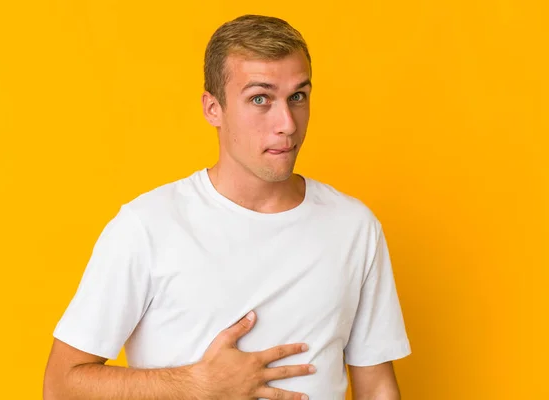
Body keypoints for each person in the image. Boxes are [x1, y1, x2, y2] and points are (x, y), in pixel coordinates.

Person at [43, 14, 411, 400]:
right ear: (212, 108)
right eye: (260, 99)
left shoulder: (354, 227)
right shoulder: (147, 227)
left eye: (298, 96)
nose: (287, 123)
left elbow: (377, 386)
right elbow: (61, 385)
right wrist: (197, 384)